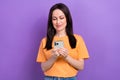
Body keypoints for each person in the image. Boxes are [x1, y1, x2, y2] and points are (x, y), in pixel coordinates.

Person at [36, 3, 89, 80]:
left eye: (61, 18)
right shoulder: (45, 41)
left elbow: (81, 66)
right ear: (51, 21)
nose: (58, 22)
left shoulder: (78, 39)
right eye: (54, 19)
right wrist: (53, 57)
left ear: (67, 18)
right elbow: (43, 68)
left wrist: (66, 57)